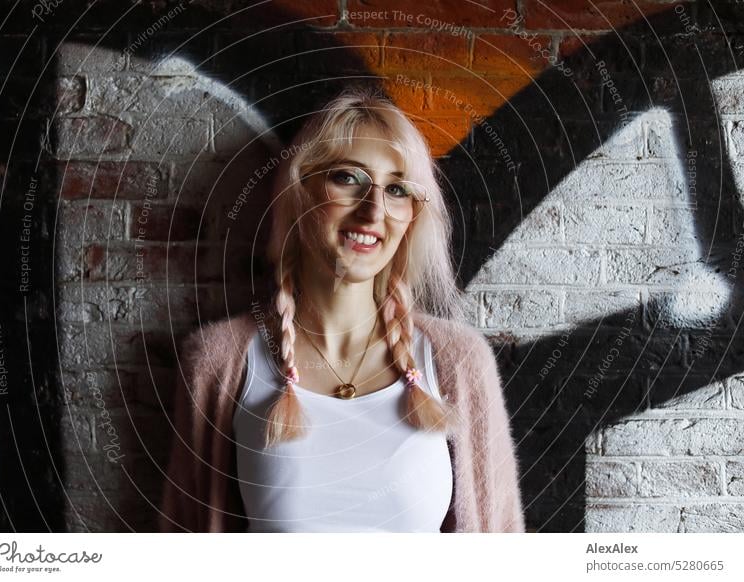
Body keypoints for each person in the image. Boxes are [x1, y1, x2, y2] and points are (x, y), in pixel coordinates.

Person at [159, 86, 525, 533]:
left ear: (413, 216)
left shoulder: (459, 361)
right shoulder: (220, 363)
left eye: (397, 190)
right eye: (348, 178)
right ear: (302, 191)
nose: (373, 212)